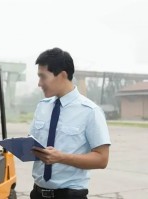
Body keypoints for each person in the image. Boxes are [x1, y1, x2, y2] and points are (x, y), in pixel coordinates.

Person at [29, 48, 111, 199]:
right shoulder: (42, 106)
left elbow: (102, 159)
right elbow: (32, 143)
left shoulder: (90, 111)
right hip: (37, 193)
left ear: (62, 75)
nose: (39, 83)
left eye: (43, 77)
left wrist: (61, 157)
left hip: (70, 195)